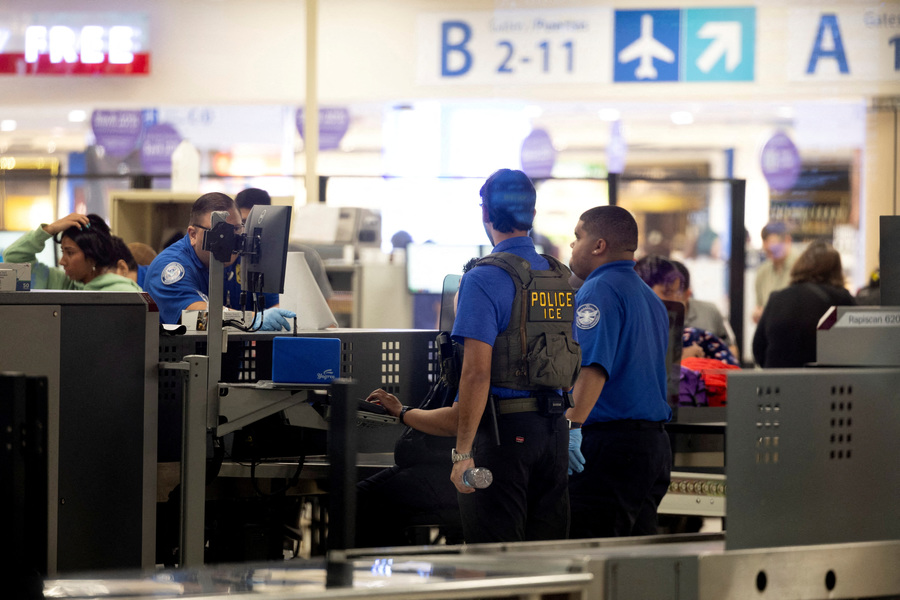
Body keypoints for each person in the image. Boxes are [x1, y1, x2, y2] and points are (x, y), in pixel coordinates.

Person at [450, 168, 580, 543]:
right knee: (547, 556)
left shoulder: (483, 278)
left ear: (485, 214)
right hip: (555, 431)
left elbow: (476, 374)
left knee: (495, 558)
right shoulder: (560, 276)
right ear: (532, 215)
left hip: (504, 436)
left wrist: (462, 454)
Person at [566, 206, 672, 539]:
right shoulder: (648, 297)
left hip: (611, 447)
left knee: (594, 556)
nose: (572, 246)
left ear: (598, 245)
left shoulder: (598, 291)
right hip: (652, 445)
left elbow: (593, 367)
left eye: (577, 237)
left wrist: (571, 426)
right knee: (634, 561)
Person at [144, 192, 294, 329]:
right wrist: (252, 319)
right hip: (184, 356)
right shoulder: (170, 267)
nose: (230, 240)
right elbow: (197, 316)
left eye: (236, 229)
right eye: (220, 232)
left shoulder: (243, 257)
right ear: (193, 235)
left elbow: (275, 305)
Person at [753, 240, 856, 368]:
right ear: (836, 270)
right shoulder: (842, 299)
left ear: (801, 265)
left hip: (777, 383)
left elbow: (758, 349)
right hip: (824, 384)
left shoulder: (776, 298)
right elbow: (855, 350)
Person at [635, 255, 738, 366]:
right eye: (667, 292)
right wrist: (681, 359)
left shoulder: (707, 315)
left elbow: (730, 353)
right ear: (643, 291)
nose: (675, 299)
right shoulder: (634, 326)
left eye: (678, 292)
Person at [236, 187, 333, 300]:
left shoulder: (305, 258)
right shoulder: (232, 258)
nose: (247, 230)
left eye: (253, 222)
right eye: (243, 223)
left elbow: (323, 304)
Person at [3, 212, 142, 291]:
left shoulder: (122, 293)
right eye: (62, 252)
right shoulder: (64, 284)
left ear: (93, 256)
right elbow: (13, 257)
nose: (61, 261)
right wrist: (50, 229)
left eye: (69, 253)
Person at [672, 259, 739, 359]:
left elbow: (732, 350)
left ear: (687, 294)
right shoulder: (650, 319)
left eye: (673, 293)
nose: (666, 300)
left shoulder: (710, 311)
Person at [753, 222, 798, 323]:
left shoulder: (803, 267)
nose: (768, 248)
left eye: (773, 245)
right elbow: (759, 306)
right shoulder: (763, 272)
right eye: (766, 247)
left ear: (787, 240)